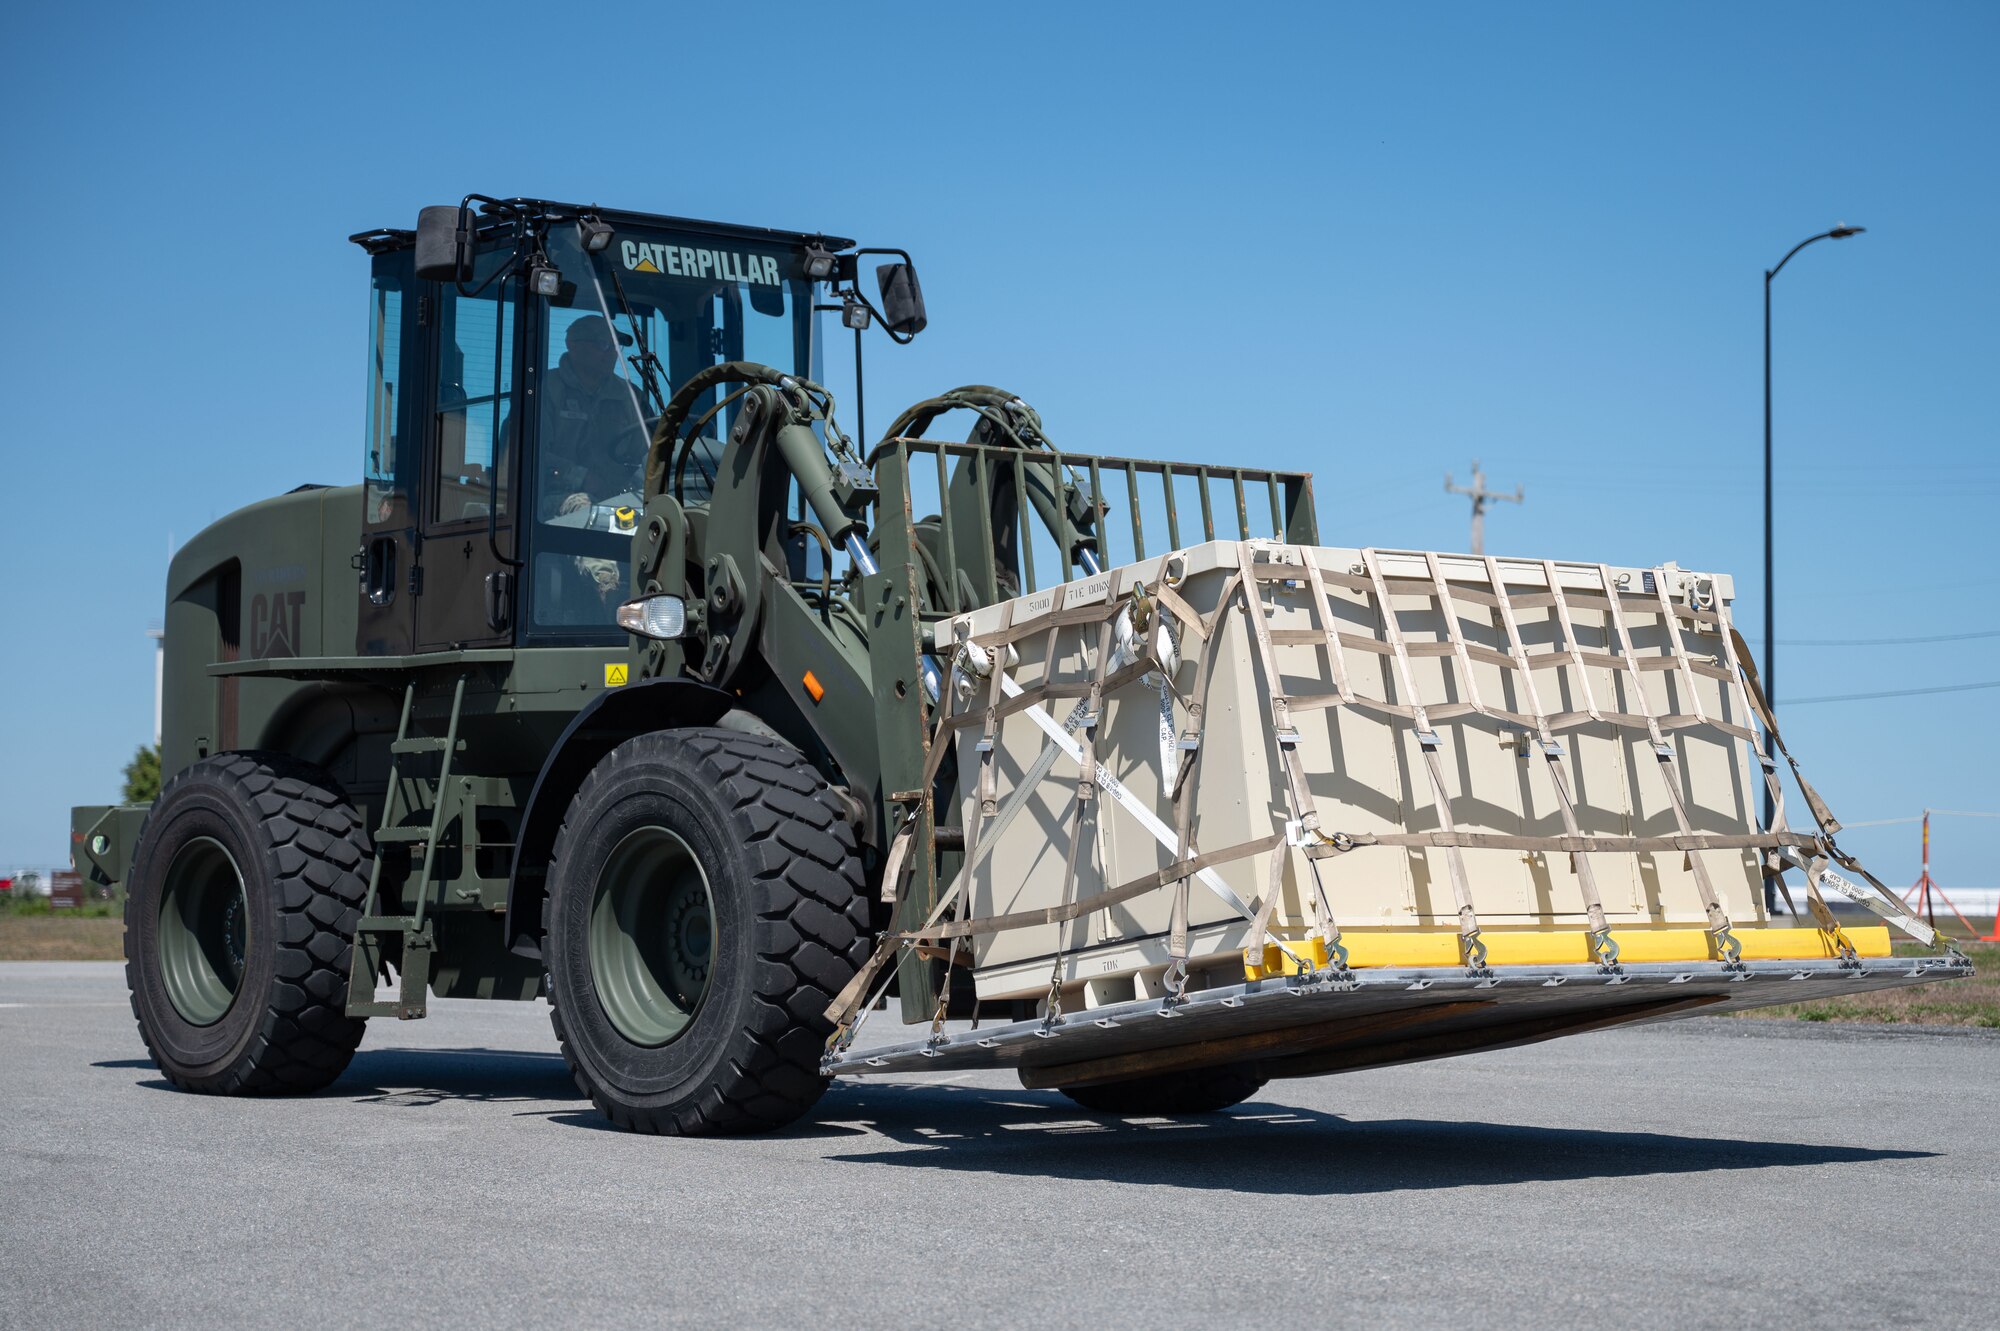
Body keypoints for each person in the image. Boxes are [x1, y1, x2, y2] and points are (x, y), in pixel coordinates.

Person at [539, 314, 649, 518]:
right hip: (551, 498)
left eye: (616, 346)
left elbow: (647, 453)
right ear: (572, 345)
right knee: (588, 512)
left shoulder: (630, 397)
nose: (613, 354)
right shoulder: (544, 390)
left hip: (619, 497)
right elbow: (528, 455)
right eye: (603, 344)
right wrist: (581, 477)